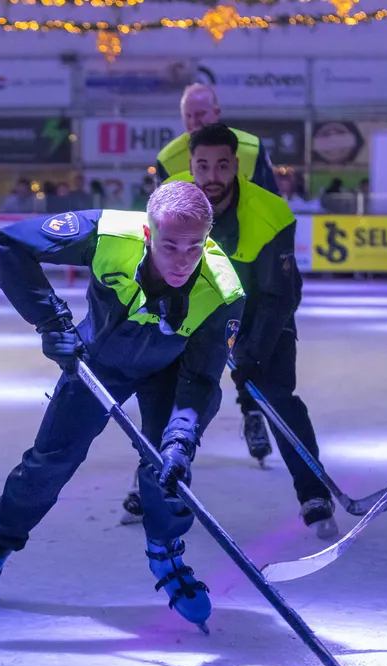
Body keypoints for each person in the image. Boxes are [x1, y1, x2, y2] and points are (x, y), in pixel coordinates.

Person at [0, 182, 244, 633]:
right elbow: (8, 243)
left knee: (165, 468)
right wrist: (50, 320)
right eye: (170, 246)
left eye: (194, 247)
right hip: (98, 362)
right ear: (147, 233)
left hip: (172, 369)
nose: (183, 260)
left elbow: (202, 379)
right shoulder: (106, 234)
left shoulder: (223, 290)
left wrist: (182, 437)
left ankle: (165, 553)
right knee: (48, 463)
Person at [119, 125, 338, 539]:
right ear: (191, 167)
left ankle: (314, 492)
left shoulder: (269, 212)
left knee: (276, 395)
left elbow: (280, 294)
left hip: (262, 313)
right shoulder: (171, 201)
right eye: (203, 166)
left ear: (236, 166)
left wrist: (249, 353)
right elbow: (152, 264)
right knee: (167, 398)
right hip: (194, 309)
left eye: (222, 165)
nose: (213, 176)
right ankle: (152, 484)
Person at [155, 83, 279, 195]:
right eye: (188, 116)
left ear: (217, 113)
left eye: (200, 114)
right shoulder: (167, 159)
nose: (193, 121)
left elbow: (272, 201)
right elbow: (158, 213)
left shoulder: (252, 149)